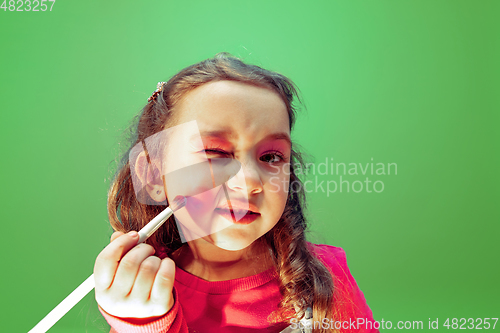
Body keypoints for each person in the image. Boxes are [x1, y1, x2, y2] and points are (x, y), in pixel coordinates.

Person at [94, 53, 378, 333]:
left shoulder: (326, 276)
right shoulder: (144, 292)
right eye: (215, 152)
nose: (250, 180)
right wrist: (145, 325)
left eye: (270, 157)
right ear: (152, 173)